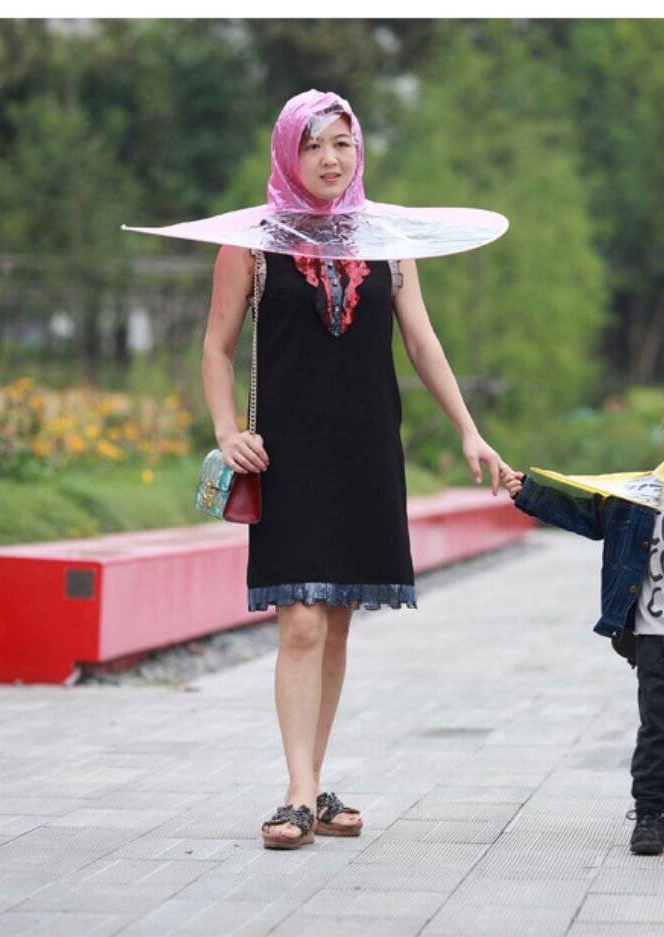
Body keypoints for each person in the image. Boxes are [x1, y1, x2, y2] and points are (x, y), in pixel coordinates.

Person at [202, 90, 507, 850]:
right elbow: (215, 348)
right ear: (286, 153)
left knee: (334, 622)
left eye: (342, 143)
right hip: (288, 451)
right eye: (313, 146)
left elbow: (423, 344)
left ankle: (312, 780)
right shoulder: (250, 242)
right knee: (300, 619)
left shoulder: (384, 239)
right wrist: (225, 431)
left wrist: (469, 431)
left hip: (366, 447)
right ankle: (300, 790)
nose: (330, 159)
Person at [500, 374, 664, 855]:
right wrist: (528, 492)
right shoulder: (640, 497)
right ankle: (648, 815)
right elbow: (586, 516)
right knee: (658, 728)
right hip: (657, 634)